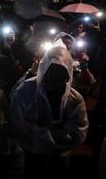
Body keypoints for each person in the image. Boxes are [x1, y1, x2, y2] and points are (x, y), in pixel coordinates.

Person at [10, 46, 89, 179]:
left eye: (60, 76)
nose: (54, 81)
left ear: (68, 75)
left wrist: (37, 131)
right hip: (30, 155)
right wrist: (56, 135)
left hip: (58, 158)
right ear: (43, 70)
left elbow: (77, 134)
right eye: (51, 74)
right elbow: (18, 125)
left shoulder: (74, 100)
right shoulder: (26, 91)